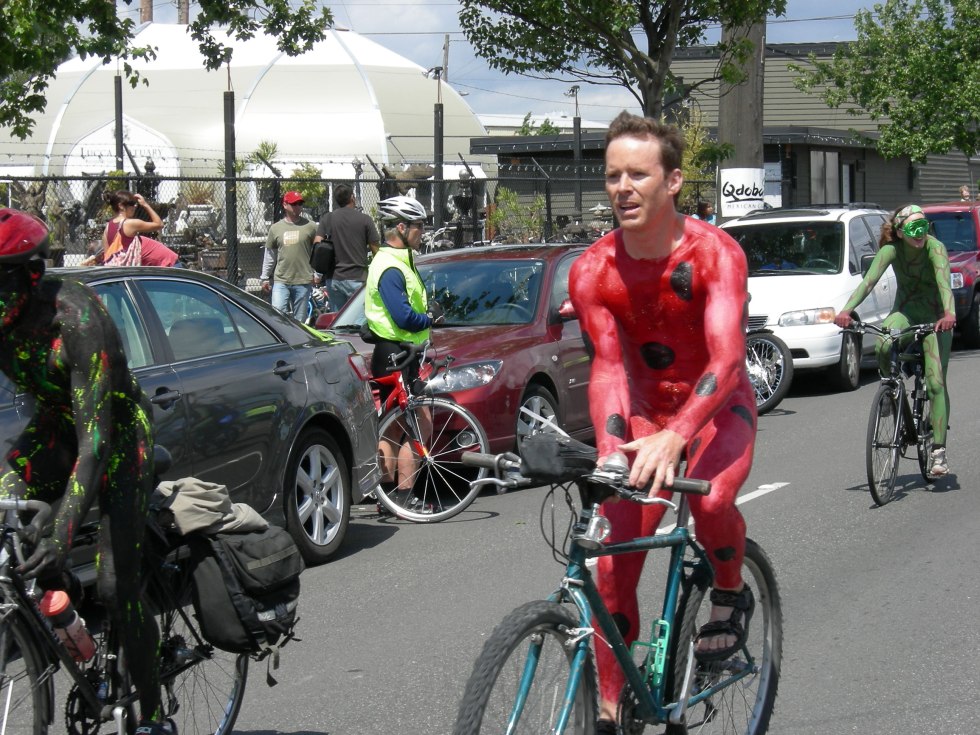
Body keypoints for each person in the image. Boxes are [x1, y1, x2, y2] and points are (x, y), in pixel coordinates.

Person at [568, 111, 756, 733]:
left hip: (714, 405)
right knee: (610, 566)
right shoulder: (593, 269)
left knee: (711, 502)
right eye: (612, 175)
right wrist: (612, 447)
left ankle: (729, 591)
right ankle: (611, 709)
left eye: (638, 175)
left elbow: (728, 359)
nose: (623, 187)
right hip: (647, 414)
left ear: (672, 181)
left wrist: (681, 433)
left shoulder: (714, 255)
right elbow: (608, 368)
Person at [0, 210, 170, 734]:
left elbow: (94, 441)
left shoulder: (75, 317)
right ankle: (63, 611)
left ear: (28, 274)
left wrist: (62, 531)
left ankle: (153, 713)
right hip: (56, 429)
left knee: (118, 586)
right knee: (14, 523)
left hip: (116, 436)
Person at [834, 204, 955, 476]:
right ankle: (890, 388)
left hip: (937, 318)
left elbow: (944, 283)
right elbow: (868, 282)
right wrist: (846, 310)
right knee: (884, 340)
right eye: (913, 228)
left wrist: (949, 313)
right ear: (899, 232)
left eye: (923, 227)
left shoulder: (935, 249)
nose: (920, 234)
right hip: (906, 312)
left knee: (936, 384)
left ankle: (938, 451)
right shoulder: (891, 250)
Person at [364, 195, 442, 499]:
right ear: (401, 227)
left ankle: (391, 497)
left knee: (395, 427)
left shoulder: (396, 261)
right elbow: (402, 316)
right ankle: (403, 496)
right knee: (416, 425)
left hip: (399, 352)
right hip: (395, 353)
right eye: (418, 226)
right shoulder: (391, 267)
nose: (422, 231)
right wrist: (429, 317)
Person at [314, 184, 380, 311]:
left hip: (334, 278)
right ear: (352, 197)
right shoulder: (365, 219)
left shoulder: (327, 218)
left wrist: (318, 272)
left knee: (338, 320)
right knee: (358, 320)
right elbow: (376, 249)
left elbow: (318, 244)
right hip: (357, 277)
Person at [260, 190, 317, 322]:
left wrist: (317, 273)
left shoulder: (311, 226)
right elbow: (270, 255)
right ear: (285, 205)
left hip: (303, 280)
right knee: (278, 316)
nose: (298, 206)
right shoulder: (276, 228)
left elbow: (318, 251)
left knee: (300, 320)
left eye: (300, 203)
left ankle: (300, 342)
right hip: (281, 280)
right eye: (294, 204)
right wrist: (264, 278)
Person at [83, 189, 179, 267]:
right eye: (131, 204)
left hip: (160, 264)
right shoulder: (129, 224)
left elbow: (108, 256)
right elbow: (159, 224)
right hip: (170, 263)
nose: (135, 206)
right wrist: (145, 204)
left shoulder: (107, 228)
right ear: (121, 206)